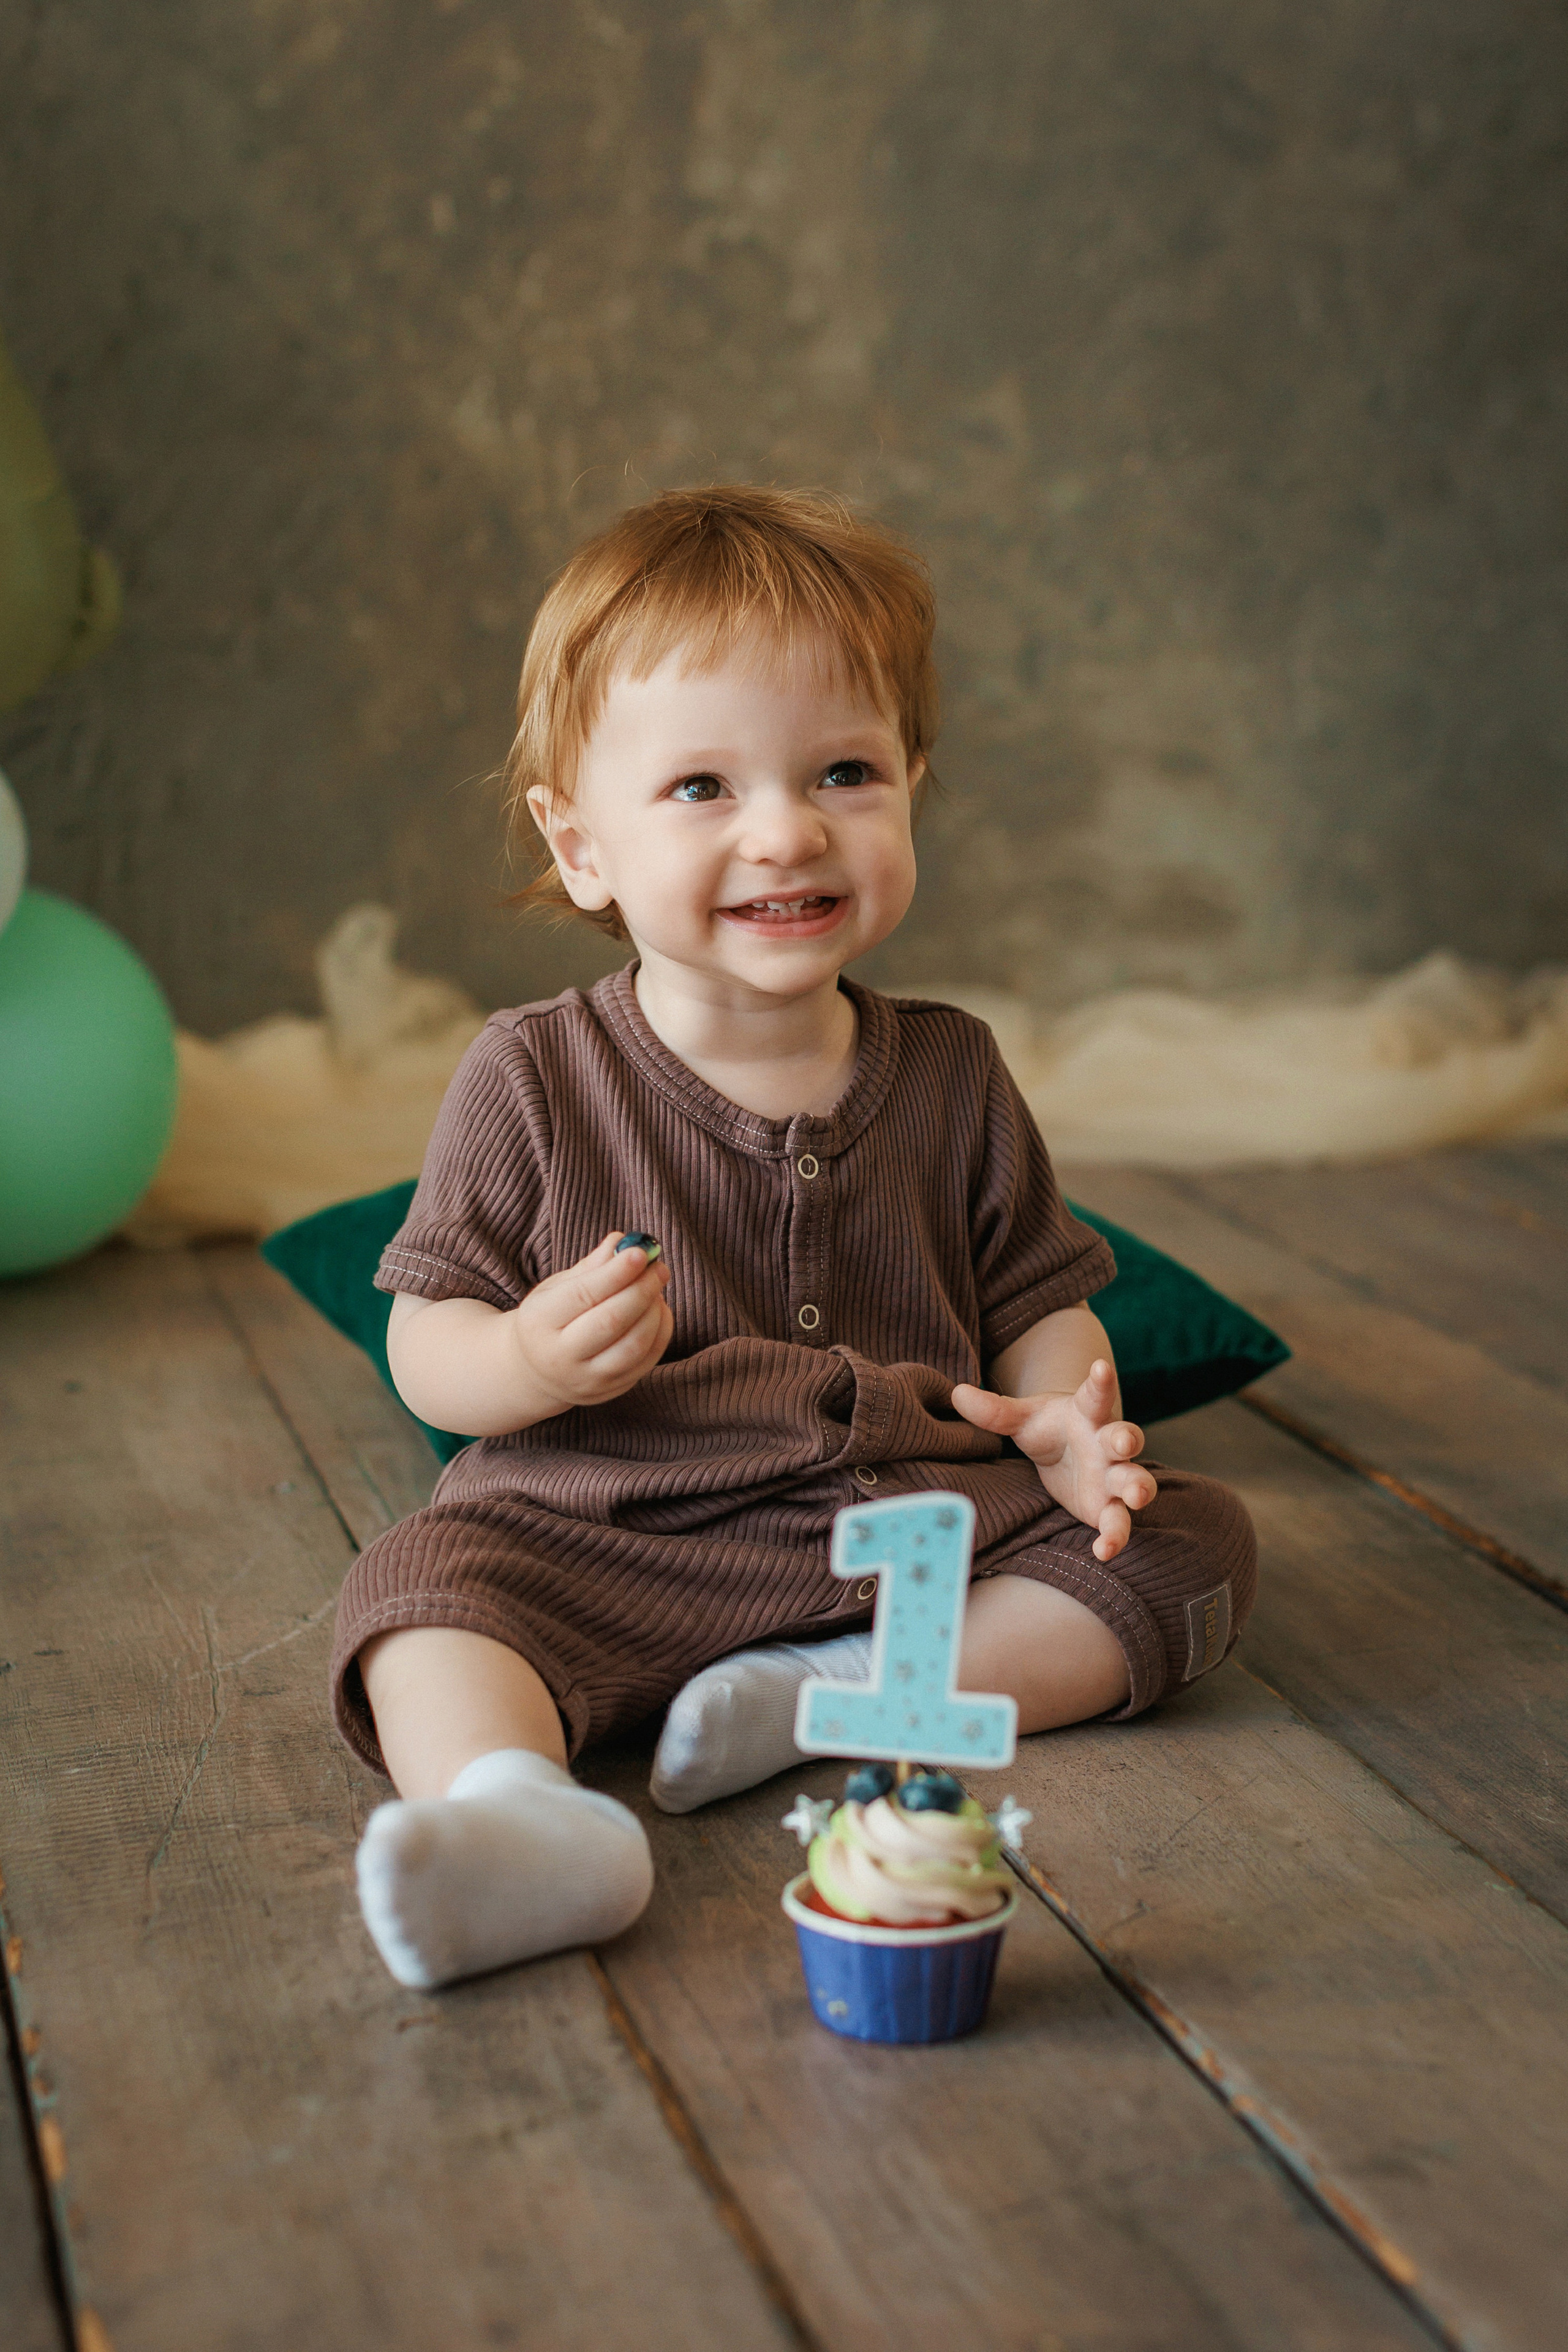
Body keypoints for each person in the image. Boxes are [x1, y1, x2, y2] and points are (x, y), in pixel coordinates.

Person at [335, 486, 1256, 1990]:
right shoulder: (534, 1074)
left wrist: (1059, 1418)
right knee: (415, 1601)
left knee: (1183, 1547)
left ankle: (824, 1694)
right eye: (701, 787)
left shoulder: (951, 1070)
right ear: (581, 844)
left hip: (913, 1525)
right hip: (612, 1525)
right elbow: (426, 1338)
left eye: (844, 771)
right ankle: (519, 1819)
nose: (786, 831)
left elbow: (1035, 1296)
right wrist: (522, 1362)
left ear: (910, 789)